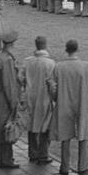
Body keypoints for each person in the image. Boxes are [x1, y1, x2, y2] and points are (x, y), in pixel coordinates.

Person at [48, 38, 88, 175]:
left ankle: (64, 166)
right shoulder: (87, 66)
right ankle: (83, 166)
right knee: (83, 134)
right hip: (82, 103)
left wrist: (57, 98)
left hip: (64, 103)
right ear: (77, 49)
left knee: (65, 135)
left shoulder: (59, 67)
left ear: (66, 50)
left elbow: (52, 87)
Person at [0, 29, 24, 169]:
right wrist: (14, 102)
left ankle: (0, 158)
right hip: (4, 97)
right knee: (7, 126)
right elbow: (9, 83)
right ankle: (6, 159)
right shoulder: (8, 60)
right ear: (13, 43)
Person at [22, 35, 56, 165]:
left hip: (31, 96)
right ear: (45, 45)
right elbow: (52, 83)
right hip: (44, 97)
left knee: (31, 125)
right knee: (45, 126)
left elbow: (20, 78)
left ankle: (33, 153)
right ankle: (43, 154)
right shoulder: (50, 63)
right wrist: (54, 97)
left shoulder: (27, 61)